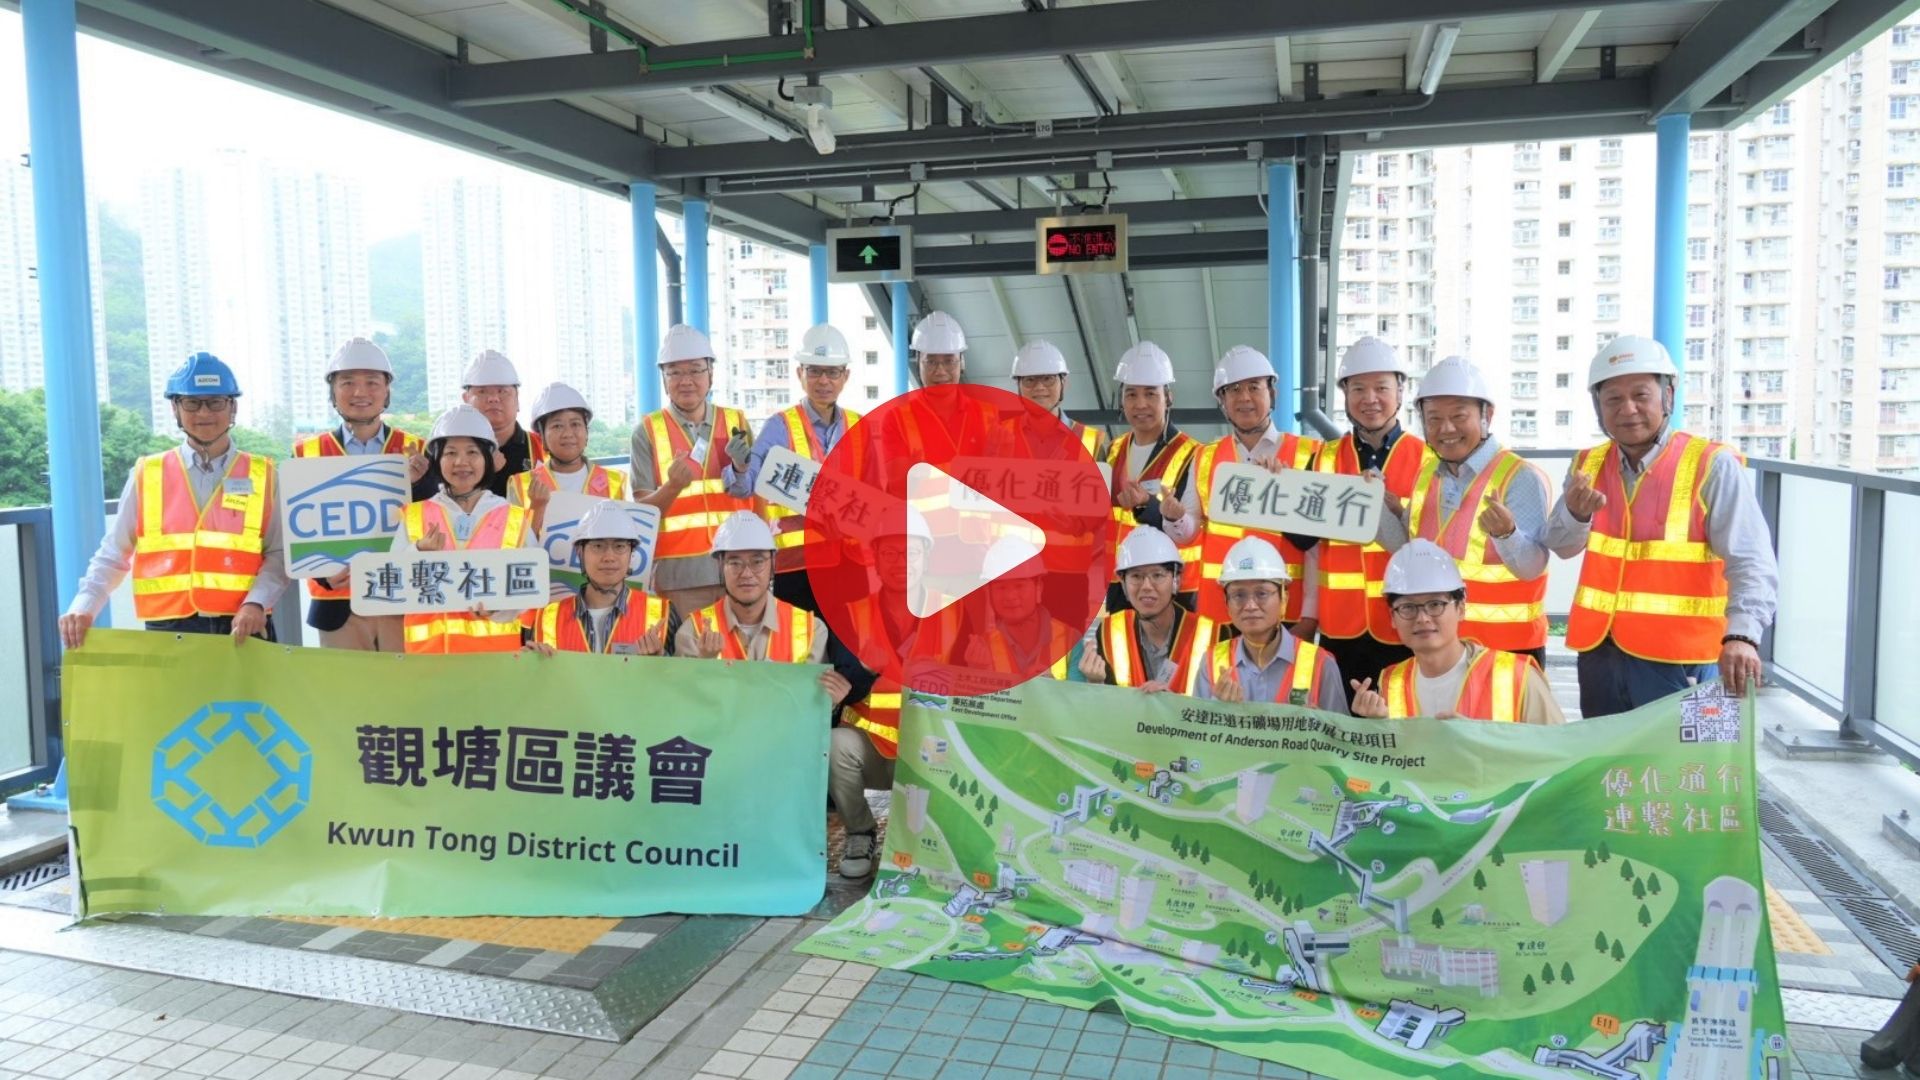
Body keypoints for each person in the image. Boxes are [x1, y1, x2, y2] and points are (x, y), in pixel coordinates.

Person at [1547, 335, 1779, 718]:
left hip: (1683, 659)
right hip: (1602, 654)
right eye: (1613, 400)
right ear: (1598, 407)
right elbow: (1561, 545)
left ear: (1667, 396)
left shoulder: (1711, 465)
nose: (1629, 409)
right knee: (1611, 768)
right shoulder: (1588, 465)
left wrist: (1742, 635)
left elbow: (1751, 560)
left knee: (1684, 773)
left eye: (1641, 395)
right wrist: (1575, 513)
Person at [59, 352, 285, 648]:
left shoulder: (264, 474)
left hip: (245, 626)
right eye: (192, 403)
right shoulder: (148, 473)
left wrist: (256, 603)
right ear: (175, 409)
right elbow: (114, 553)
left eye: (216, 402)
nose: (204, 413)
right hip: (169, 631)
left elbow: (280, 553)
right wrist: (83, 605)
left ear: (233, 408)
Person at [1383, 356, 1553, 668]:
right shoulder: (1427, 475)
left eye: (1459, 416)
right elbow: (1406, 549)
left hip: (1506, 651)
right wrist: (1375, 505)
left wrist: (1507, 534)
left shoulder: (1519, 476)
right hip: (1438, 648)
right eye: (1433, 419)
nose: (1446, 429)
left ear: (1487, 415)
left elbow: (1532, 567)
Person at [833, 509, 961, 879]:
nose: (901, 562)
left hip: (931, 749)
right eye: (890, 553)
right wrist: (866, 668)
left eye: (911, 552)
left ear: (927, 558)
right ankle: (860, 832)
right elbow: (842, 686)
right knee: (835, 745)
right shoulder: (852, 614)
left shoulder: (953, 612)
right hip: (870, 748)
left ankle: (935, 839)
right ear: (875, 559)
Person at [1162, 346, 1322, 627]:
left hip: (1285, 610)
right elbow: (1188, 532)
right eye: (1233, 389)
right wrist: (1174, 518)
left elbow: (1317, 548)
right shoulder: (1205, 456)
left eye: (1254, 387)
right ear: (1222, 401)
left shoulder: (1309, 454)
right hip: (1220, 610)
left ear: (1271, 393)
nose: (1244, 397)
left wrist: (1310, 615)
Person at [1306, 336, 1427, 693]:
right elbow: (1302, 541)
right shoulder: (1324, 459)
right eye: (1358, 388)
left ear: (1401, 392)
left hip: (1407, 625)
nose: (1369, 399)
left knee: (1404, 732)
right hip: (1340, 626)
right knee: (1341, 732)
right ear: (1344, 395)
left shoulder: (1428, 460)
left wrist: (1397, 509)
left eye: (1381, 388)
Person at [293, 338, 428, 652]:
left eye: (371, 382)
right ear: (333, 393)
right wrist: (322, 575)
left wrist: (420, 484)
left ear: (387, 391)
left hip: (402, 601)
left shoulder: (417, 450)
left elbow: (435, 523)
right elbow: (295, 532)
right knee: (347, 698)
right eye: (348, 383)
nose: (360, 392)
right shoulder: (307, 453)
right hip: (338, 606)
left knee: (406, 696)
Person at [1349, 541, 1565, 724]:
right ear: (1392, 618)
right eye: (1408, 607)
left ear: (1460, 609)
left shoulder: (1517, 676)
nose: (1422, 618)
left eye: (1435, 604)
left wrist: (1478, 739)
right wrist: (1378, 729)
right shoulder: (1391, 681)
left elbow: (1562, 757)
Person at [732, 324, 861, 613]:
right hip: (797, 566)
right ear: (800, 373)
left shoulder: (859, 426)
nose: (823, 380)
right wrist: (740, 467)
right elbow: (745, 484)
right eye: (814, 371)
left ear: (845, 376)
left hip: (849, 563)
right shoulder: (780, 426)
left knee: (848, 655)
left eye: (832, 372)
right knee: (801, 652)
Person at [632, 324, 754, 619]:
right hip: (680, 576)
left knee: (741, 658)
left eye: (696, 370)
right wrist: (672, 487)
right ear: (663, 379)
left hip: (739, 568)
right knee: (689, 659)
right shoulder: (647, 432)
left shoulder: (736, 422)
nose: (686, 381)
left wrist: (741, 469)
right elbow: (641, 514)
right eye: (674, 372)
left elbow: (754, 492)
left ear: (711, 374)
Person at [393, 404, 537, 654]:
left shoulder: (512, 516)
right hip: (429, 663)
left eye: (472, 452)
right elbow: (391, 581)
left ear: (487, 460)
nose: (461, 462)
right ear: (437, 459)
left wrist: (500, 608)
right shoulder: (416, 514)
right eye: (450, 453)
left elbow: (533, 587)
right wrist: (417, 550)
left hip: (496, 663)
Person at [1192, 536, 1347, 712]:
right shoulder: (1211, 662)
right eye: (1239, 595)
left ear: (1284, 599)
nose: (1250, 605)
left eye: (1262, 593)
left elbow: (1341, 736)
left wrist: (1319, 727)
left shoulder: (1321, 664)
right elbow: (1193, 735)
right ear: (1226, 602)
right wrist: (1215, 710)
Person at [1104, 342, 1201, 609]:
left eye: (1151, 394)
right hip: (1121, 583)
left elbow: (1191, 530)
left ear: (1168, 397)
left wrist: (1151, 506)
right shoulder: (1112, 451)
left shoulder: (1193, 453)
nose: (1140, 404)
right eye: (1131, 395)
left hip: (1171, 587)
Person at [526, 501, 678, 656]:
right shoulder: (546, 619)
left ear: (631, 553)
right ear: (580, 552)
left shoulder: (663, 614)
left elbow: (682, 677)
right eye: (598, 546)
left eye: (619, 547)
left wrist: (661, 661)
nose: (609, 557)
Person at [1079, 527, 1217, 695]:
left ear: (1176, 580)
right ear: (1123, 584)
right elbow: (1106, 711)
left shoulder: (1212, 635)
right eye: (1136, 576)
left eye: (1157, 575)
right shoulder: (1109, 632)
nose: (1146, 586)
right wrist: (1096, 683)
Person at [410, 349, 540, 500]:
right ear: (466, 399)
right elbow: (431, 507)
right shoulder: (440, 447)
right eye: (482, 392)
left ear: (517, 399)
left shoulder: (541, 448)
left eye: (502, 391)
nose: (493, 398)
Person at [960, 537, 1079, 680]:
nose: (1010, 596)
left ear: (1038, 587)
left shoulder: (1070, 640)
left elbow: (1080, 699)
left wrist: (1051, 689)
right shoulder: (983, 649)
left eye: (1019, 586)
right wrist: (978, 673)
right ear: (989, 592)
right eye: (1001, 587)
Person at [1008, 340, 1107, 459]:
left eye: (1048, 379)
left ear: (1063, 383)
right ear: (1018, 385)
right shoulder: (998, 436)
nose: (1039, 387)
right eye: (1030, 380)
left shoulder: (1090, 441)